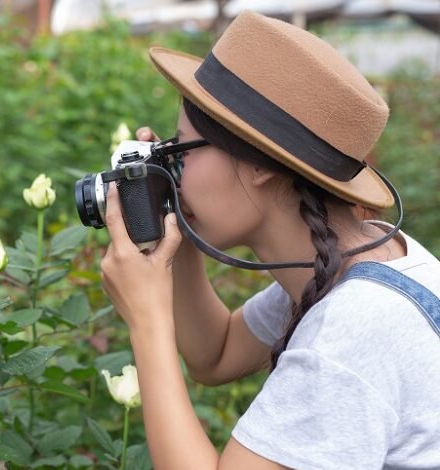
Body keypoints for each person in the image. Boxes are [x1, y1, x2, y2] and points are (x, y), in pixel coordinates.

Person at [99, 10, 440, 469]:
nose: (171, 168)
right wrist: (168, 220)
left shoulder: (353, 330)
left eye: (181, 149)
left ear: (260, 164)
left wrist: (147, 317)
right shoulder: (362, 256)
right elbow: (214, 354)